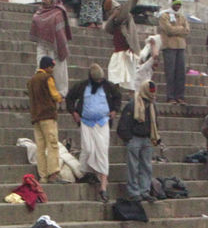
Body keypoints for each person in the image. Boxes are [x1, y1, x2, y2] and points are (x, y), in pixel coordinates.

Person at [66, 64, 122, 202]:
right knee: (88, 149)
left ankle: (103, 185)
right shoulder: (82, 86)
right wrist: (74, 112)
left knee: (102, 151)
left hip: (102, 122)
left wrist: (114, 110)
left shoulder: (108, 86)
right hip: (86, 122)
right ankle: (88, 172)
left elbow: (117, 97)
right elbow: (69, 98)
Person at [117, 80, 160, 203]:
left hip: (147, 139)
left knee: (146, 167)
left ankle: (144, 191)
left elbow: (155, 123)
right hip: (134, 138)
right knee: (133, 167)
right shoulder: (132, 105)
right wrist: (129, 139)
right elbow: (123, 124)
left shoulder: (152, 106)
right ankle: (134, 192)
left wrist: (155, 137)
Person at [27, 56, 64, 183]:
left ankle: (42, 176)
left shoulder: (31, 80)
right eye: (51, 67)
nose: (52, 70)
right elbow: (54, 94)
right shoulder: (47, 78)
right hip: (47, 116)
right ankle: (53, 173)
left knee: (40, 147)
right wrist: (60, 98)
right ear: (47, 67)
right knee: (52, 145)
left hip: (36, 117)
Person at [29, 0, 72, 97]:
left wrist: (59, 45)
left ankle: (61, 91)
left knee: (58, 69)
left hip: (56, 46)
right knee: (40, 68)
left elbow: (60, 32)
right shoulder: (39, 12)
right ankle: (38, 91)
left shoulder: (58, 12)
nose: (43, 1)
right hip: (42, 45)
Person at [157, 0, 190, 105]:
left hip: (181, 47)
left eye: (179, 4)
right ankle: (170, 97)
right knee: (170, 73)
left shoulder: (182, 16)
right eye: (176, 4)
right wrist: (180, 29)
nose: (178, 6)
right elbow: (168, 30)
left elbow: (187, 30)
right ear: (171, 4)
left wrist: (178, 29)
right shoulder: (164, 16)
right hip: (169, 47)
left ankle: (180, 96)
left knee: (181, 74)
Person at [104, 0, 140, 92]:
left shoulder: (124, 16)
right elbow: (107, 28)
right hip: (118, 51)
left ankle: (131, 95)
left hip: (127, 51)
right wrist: (112, 16)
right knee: (114, 74)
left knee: (130, 75)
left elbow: (128, 6)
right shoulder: (113, 19)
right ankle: (115, 93)